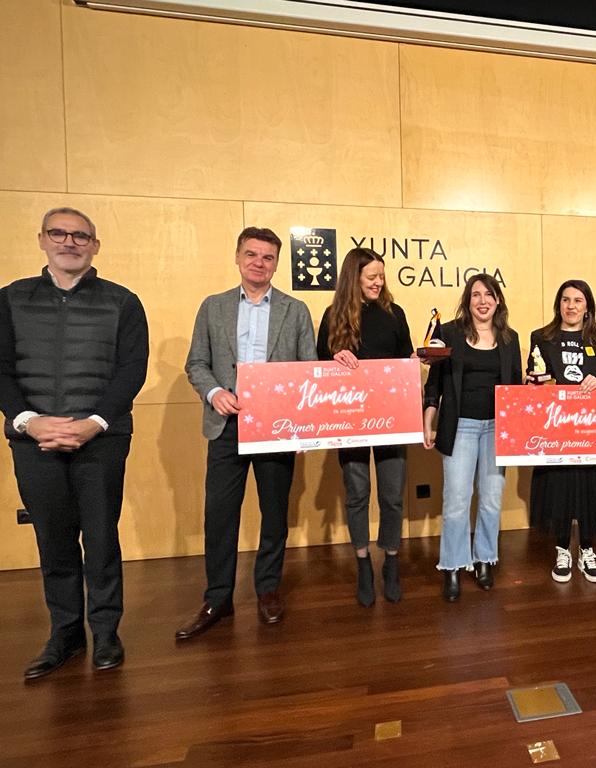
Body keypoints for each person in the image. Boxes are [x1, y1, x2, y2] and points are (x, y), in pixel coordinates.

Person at [1, 207, 148, 679]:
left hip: (101, 440)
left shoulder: (123, 302)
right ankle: (65, 634)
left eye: (81, 236)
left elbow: (131, 370)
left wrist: (94, 423)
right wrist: (29, 422)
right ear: (42, 239)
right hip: (34, 441)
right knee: (54, 540)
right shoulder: (10, 299)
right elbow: (2, 370)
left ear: (95, 246)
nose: (70, 242)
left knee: (102, 537)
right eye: (59, 233)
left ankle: (105, 632)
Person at [176, 227, 316, 639]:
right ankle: (218, 597)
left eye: (268, 257)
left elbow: (307, 370)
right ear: (238, 257)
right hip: (227, 425)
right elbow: (196, 363)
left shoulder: (296, 310)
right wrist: (214, 392)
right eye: (251, 254)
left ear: (276, 263)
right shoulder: (213, 306)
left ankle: (268, 589)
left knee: (274, 513)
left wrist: (303, 430)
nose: (259, 262)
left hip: (278, 427)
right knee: (219, 515)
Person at [316, 248, 413, 607]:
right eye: (372, 276)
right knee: (357, 493)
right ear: (353, 278)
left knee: (392, 494)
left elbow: (406, 360)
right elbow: (318, 368)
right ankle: (362, 565)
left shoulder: (395, 313)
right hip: (351, 420)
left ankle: (391, 561)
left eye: (381, 276)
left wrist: (415, 361)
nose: (378, 282)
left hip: (392, 420)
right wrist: (334, 358)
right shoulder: (333, 316)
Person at [423, 274, 522, 602]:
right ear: (468, 301)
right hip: (460, 426)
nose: (482, 301)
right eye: (476, 295)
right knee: (456, 501)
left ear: (498, 300)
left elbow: (516, 387)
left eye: (489, 295)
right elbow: (434, 383)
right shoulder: (449, 333)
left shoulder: (510, 339)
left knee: (491, 499)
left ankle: (484, 559)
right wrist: (428, 421)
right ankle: (453, 565)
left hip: (497, 429)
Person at [528, 279, 596, 583]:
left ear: (587, 306)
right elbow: (533, 377)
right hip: (556, 429)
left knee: (590, 487)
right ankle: (563, 549)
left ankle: (588, 550)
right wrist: (535, 382)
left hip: (592, 429)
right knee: (560, 488)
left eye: (578, 300)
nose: (571, 306)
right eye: (565, 300)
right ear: (559, 305)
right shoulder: (541, 337)